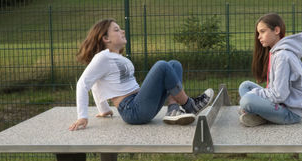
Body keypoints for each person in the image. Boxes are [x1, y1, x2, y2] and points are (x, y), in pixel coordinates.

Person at [69, 18, 214, 131]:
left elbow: (97, 84)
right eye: (117, 30)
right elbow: (84, 83)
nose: (122, 31)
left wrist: (104, 110)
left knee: (174, 64)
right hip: (132, 110)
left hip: (141, 103)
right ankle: (190, 105)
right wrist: (82, 116)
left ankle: (173, 109)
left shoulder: (118, 58)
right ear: (106, 39)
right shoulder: (102, 57)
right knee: (162, 66)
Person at [238, 13, 302, 127]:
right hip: (281, 103)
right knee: (245, 86)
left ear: (276, 30)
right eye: (258, 33)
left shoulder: (282, 56)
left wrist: (253, 96)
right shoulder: (276, 52)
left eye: (262, 31)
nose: (259, 37)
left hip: (290, 112)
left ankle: (258, 113)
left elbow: (279, 95)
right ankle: (260, 115)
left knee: (246, 100)